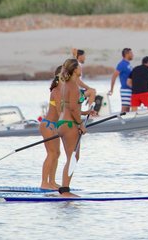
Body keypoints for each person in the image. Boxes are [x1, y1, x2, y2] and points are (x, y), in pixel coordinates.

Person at [57, 58, 86, 195]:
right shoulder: (73, 86)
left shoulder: (65, 85)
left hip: (62, 123)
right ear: (75, 70)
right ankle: (65, 190)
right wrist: (80, 124)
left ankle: (64, 188)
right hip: (70, 125)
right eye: (79, 67)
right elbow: (74, 109)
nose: (81, 69)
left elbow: (68, 106)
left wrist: (85, 112)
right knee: (73, 157)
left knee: (70, 157)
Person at [38, 65, 63, 190]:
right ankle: (44, 182)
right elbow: (60, 111)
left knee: (57, 153)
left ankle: (52, 182)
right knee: (51, 153)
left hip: (54, 125)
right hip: (47, 125)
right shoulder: (57, 91)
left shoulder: (63, 90)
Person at [71, 48, 98, 113]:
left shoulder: (75, 64)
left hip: (78, 92)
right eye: (84, 56)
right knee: (92, 91)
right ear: (80, 56)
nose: (85, 58)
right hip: (76, 92)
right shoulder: (77, 65)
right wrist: (88, 88)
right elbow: (78, 81)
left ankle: (81, 104)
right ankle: (90, 112)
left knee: (91, 91)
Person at [108, 48, 134, 114]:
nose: (133, 55)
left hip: (131, 89)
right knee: (125, 109)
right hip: (125, 89)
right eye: (131, 53)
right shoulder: (122, 64)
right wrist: (111, 89)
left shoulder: (128, 64)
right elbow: (114, 76)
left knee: (128, 109)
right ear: (126, 54)